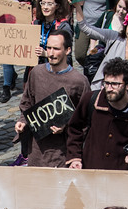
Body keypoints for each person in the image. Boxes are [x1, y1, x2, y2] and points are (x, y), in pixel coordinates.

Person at [67, 57, 128, 172]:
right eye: (107, 83)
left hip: (122, 173)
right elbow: (75, 128)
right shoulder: (91, 100)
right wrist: (75, 157)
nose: (109, 88)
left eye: (115, 84)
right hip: (91, 169)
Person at [15, 30, 88, 168]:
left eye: (56, 49)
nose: (51, 53)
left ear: (67, 50)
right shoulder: (37, 72)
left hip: (61, 152)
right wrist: (23, 121)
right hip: (36, 150)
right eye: (48, 48)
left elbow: (85, 119)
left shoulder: (79, 81)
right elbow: (27, 102)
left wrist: (65, 127)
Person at [73, 1, 128, 92]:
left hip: (126, 95)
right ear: (125, 27)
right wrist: (77, 5)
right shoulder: (114, 37)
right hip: (102, 89)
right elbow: (85, 27)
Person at [34, 0, 73, 67]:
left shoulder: (63, 27)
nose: (45, 7)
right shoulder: (36, 23)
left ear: (57, 6)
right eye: (43, 3)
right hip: (36, 68)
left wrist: (46, 54)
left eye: (49, 4)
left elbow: (67, 56)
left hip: (55, 70)